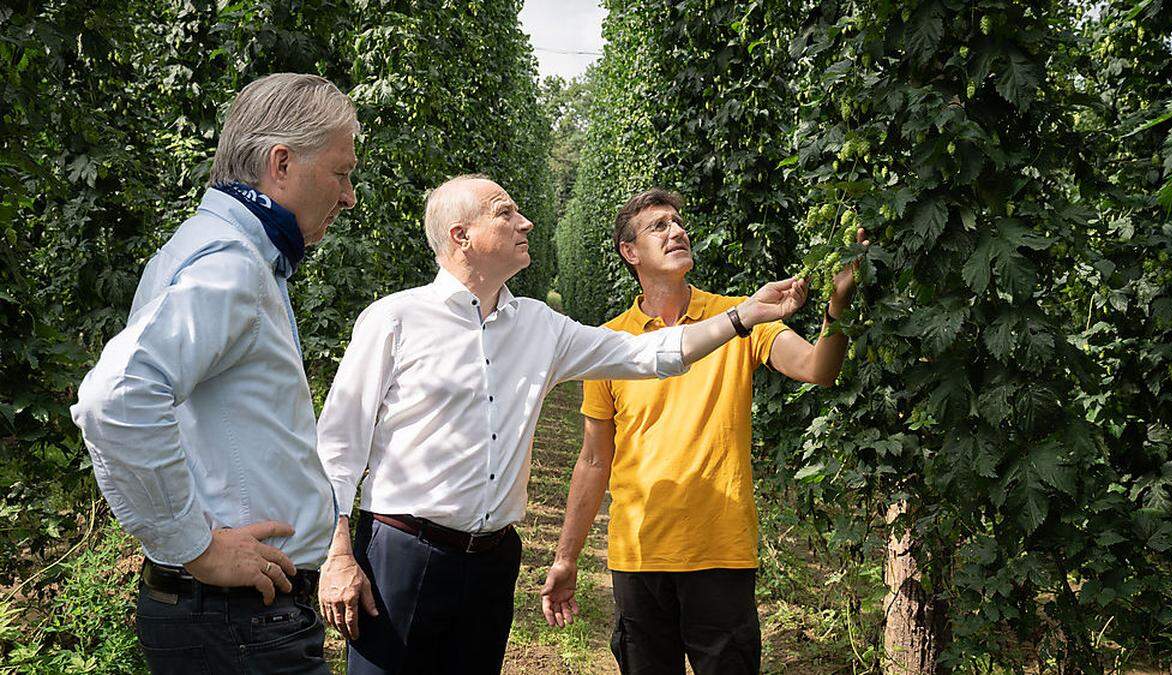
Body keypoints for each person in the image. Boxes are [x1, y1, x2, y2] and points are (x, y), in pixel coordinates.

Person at [314, 174, 810, 674]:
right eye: (505, 212)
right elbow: (339, 443)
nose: (525, 222)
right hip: (404, 555)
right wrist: (337, 553)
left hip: (492, 562)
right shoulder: (394, 320)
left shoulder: (539, 326)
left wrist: (744, 315)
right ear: (461, 235)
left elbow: (647, 353)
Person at [70, 72, 359, 674]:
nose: (349, 195)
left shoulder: (220, 248)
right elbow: (116, 397)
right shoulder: (231, 262)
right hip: (239, 624)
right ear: (281, 163)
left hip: (235, 620)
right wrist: (195, 547)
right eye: (341, 172)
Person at [540, 188, 868, 674]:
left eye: (678, 222)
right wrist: (566, 557)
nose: (677, 231)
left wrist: (838, 303)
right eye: (658, 226)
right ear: (629, 253)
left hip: (720, 550)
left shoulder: (743, 316)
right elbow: (593, 460)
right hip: (638, 554)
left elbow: (818, 368)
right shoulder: (609, 345)